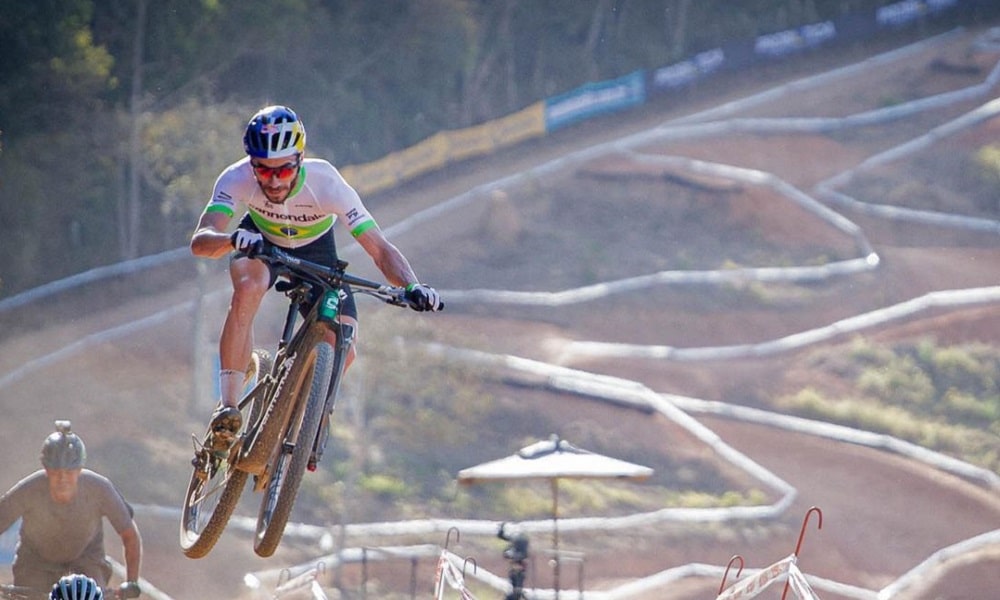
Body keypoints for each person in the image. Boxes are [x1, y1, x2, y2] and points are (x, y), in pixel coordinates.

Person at [189, 104, 442, 448]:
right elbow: (201, 241)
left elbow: (379, 248)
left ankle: (299, 416)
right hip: (260, 242)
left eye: (284, 170)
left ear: (300, 159)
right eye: (264, 171)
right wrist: (232, 239)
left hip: (317, 250)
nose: (274, 181)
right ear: (252, 164)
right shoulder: (236, 178)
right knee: (248, 287)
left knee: (345, 343)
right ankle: (228, 410)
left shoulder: (327, 183)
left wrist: (412, 285)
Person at [0, 422, 142, 599]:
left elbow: (129, 535)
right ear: (46, 470)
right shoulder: (29, 490)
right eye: (56, 471)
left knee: (92, 595)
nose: (62, 478)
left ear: (79, 470)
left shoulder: (99, 489)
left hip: (87, 560)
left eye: (69, 472)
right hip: (36, 563)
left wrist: (132, 582)